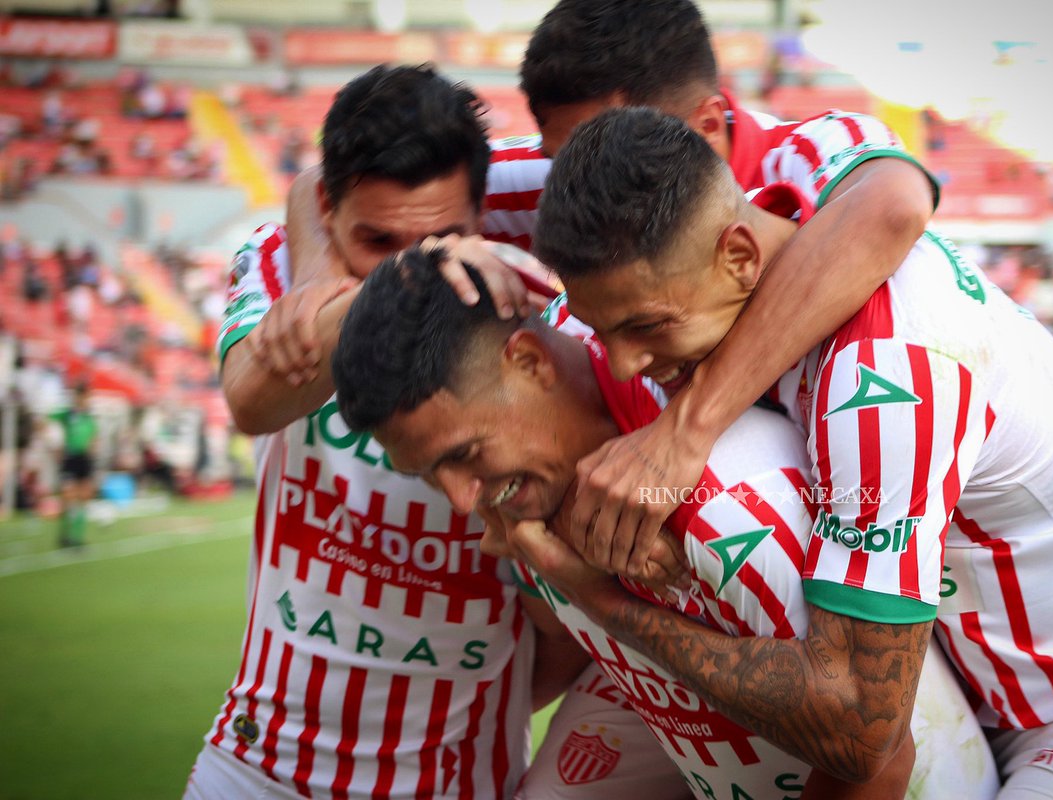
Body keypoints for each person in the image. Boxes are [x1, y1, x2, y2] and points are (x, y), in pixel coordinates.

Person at [530, 107, 1053, 798]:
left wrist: (601, 603)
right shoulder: (741, 274)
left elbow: (861, 729)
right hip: (966, 693)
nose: (622, 363)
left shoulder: (882, 381)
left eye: (646, 326)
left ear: (740, 257)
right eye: (602, 330)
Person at [277, 0, 937, 589]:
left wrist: (686, 430)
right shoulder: (556, 182)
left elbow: (892, 207)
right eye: (563, 154)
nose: (582, 174)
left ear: (707, 125)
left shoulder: (804, 151)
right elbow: (324, 181)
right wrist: (314, 273)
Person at [329, 246, 1001, 799]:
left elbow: (869, 752)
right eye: (429, 474)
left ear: (531, 362)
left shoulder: (730, 500)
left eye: (465, 456)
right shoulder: (547, 461)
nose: (463, 502)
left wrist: (599, 597)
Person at [187, 65, 688, 800]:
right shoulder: (283, 264)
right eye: (376, 240)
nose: (411, 264)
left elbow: (562, 628)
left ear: (486, 215)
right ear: (328, 210)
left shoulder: (541, 317)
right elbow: (251, 402)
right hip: (251, 767)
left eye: (444, 237)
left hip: (453, 782)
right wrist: (351, 288)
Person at [51, 383, 98, 547]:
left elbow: (94, 437)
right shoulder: (68, 414)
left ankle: (78, 537)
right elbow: (47, 421)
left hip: (84, 460)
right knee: (68, 497)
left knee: (84, 497)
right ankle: (64, 534)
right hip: (71, 459)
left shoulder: (89, 416)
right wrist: (55, 447)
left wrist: (92, 453)